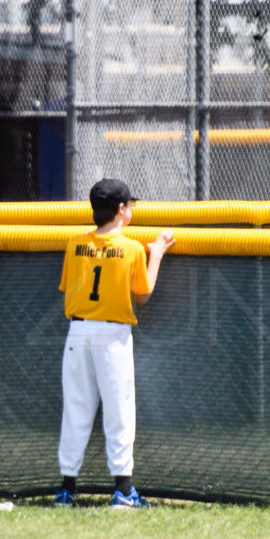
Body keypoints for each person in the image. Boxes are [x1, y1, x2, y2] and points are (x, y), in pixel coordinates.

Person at [53, 178, 175, 509]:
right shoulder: (134, 247)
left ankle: (66, 489)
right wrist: (158, 252)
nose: (132, 209)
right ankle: (122, 490)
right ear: (121, 210)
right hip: (113, 337)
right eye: (130, 205)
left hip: (77, 334)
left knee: (75, 410)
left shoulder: (75, 243)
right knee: (119, 411)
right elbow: (144, 293)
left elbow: (71, 286)